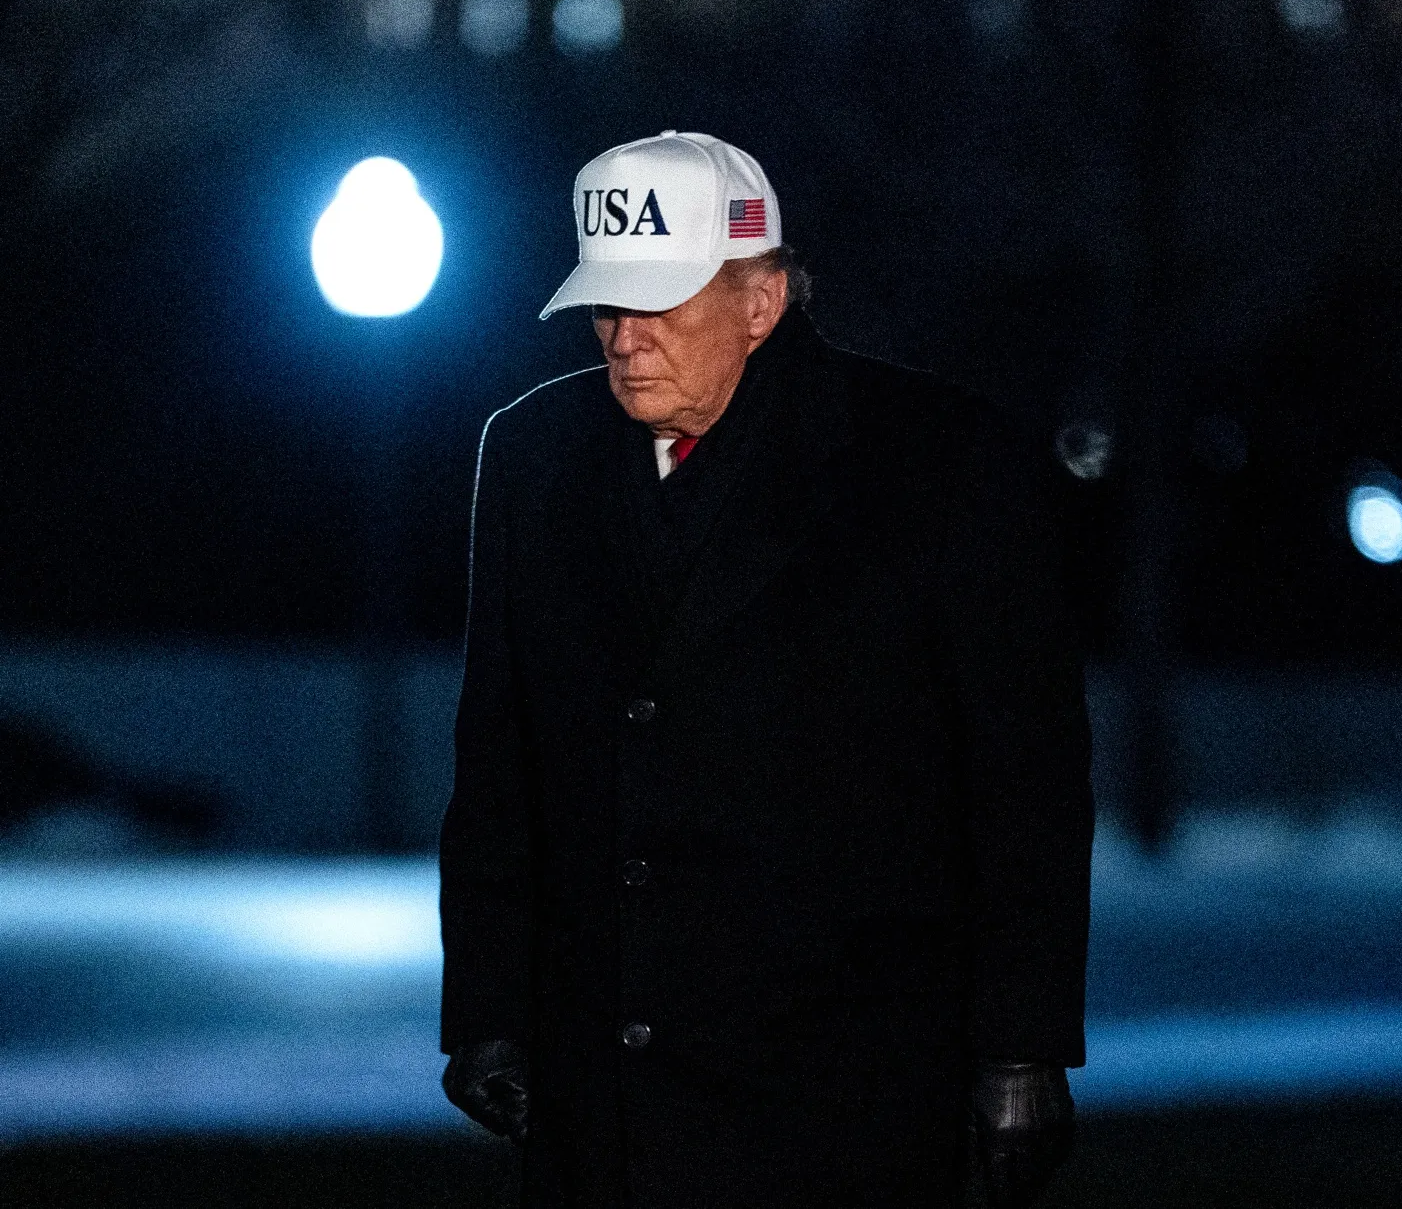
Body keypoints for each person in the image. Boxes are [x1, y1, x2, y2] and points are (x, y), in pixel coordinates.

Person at [437, 130, 1094, 1208]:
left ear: (761, 299)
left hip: (843, 1092)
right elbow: (498, 761)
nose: (624, 338)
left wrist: (1021, 1045)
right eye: (605, 305)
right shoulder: (532, 454)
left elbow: (1024, 777)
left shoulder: (939, 462)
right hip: (604, 1100)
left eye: (658, 301)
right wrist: (490, 1010)